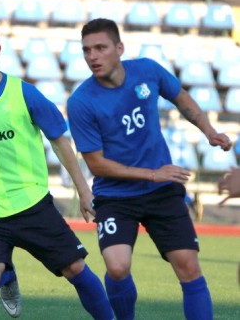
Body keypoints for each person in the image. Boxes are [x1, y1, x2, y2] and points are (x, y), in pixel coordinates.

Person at [0, 21, 114, 319]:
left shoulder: (25, 93)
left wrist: (84, 191)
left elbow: (60, 141)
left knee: (75, 268)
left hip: (30, 204)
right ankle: (7, 275)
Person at [67, 18, 233, 320]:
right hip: (115, 195)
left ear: (119, 48)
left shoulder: (147, 70)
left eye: (100, 48)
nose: (92, 56)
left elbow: (180, 96)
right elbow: (96, 163)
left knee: (188, 266)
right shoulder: (81, 101)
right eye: (86, 50)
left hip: (161, 192)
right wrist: (153, 173)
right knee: (117, 267)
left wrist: (208, 130)